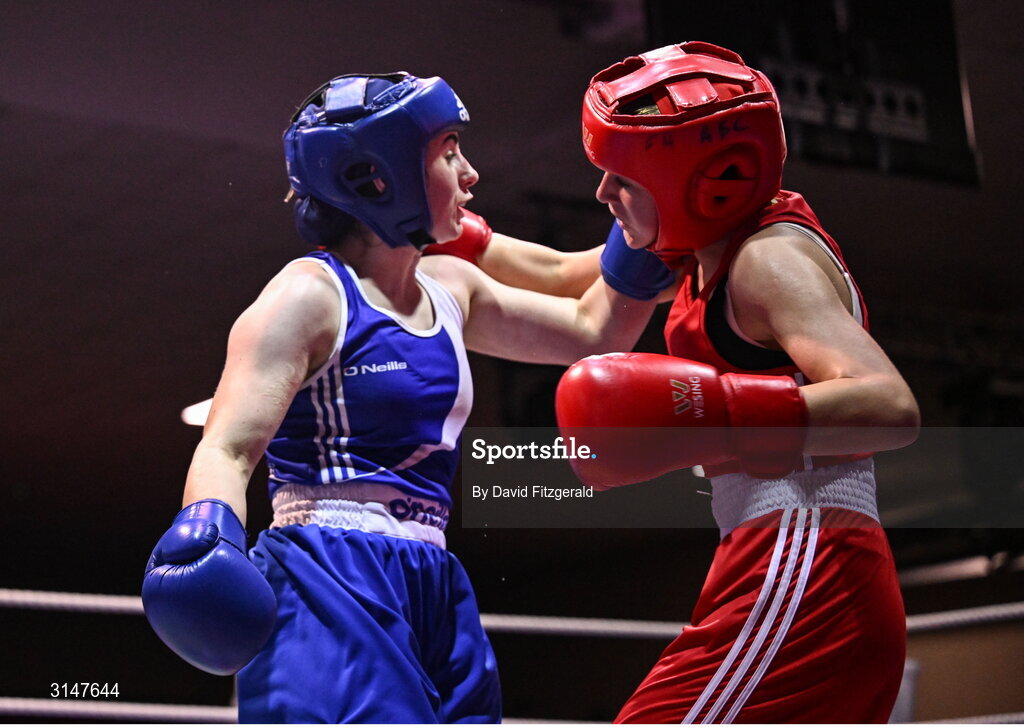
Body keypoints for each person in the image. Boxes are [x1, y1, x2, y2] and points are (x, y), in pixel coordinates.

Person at [140, 71, 661, 723]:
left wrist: (662, 210)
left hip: (434, 575)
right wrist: (206, 530)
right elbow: (229, 445)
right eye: (448, 151)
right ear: (378, 175)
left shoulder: (453, 289)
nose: (470, 174)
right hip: (327, 570)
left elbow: (594, 330)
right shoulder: (310, 295)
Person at [429, 41, 921, 723]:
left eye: (621, 180)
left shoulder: (767, 262)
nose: (603, 194)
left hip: (807, 568)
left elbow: (890, 403)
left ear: (703, 182)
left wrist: (718, 412)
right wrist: (456, 235)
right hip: (775, 560)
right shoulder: (699, 246)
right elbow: (564, 277)